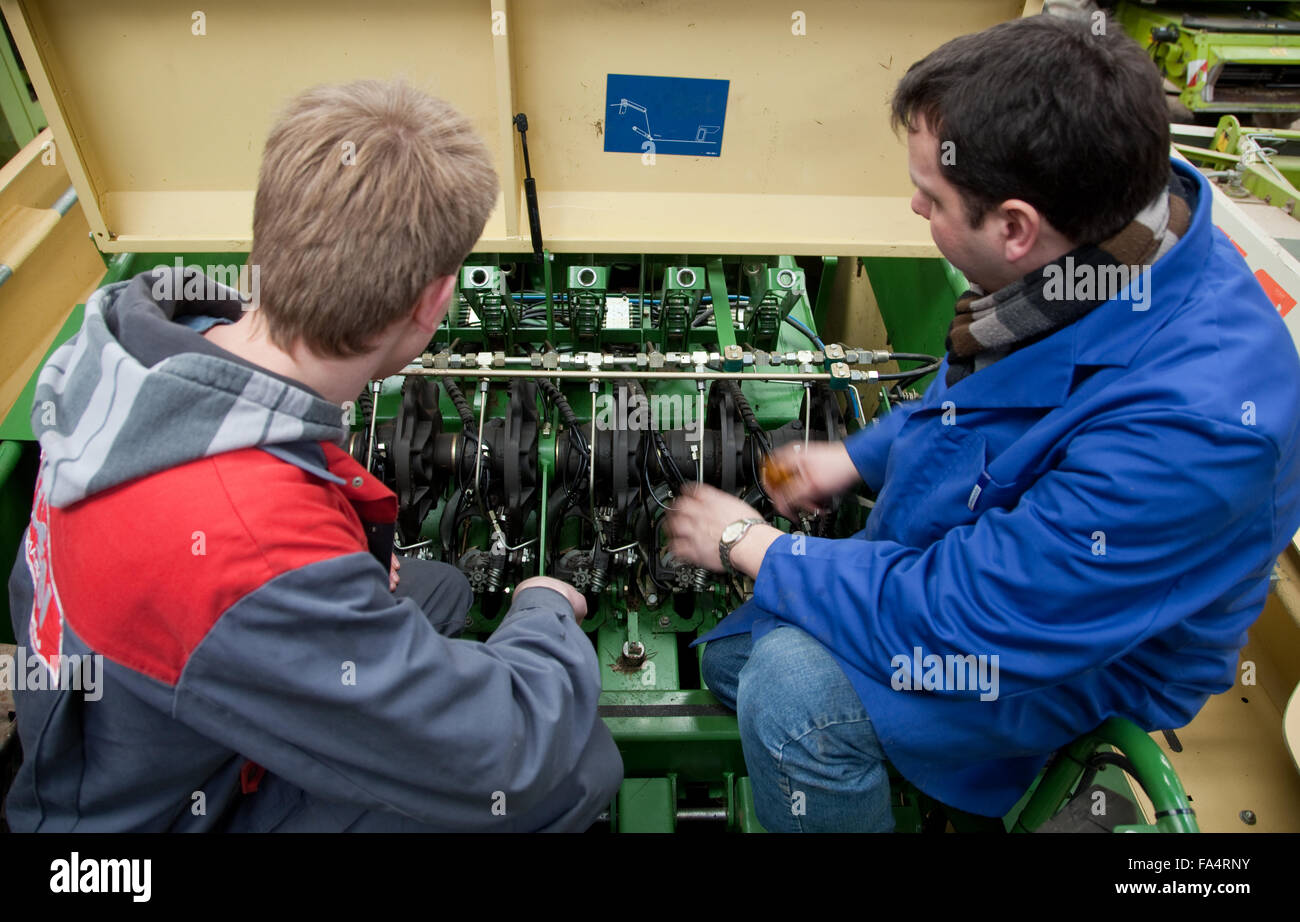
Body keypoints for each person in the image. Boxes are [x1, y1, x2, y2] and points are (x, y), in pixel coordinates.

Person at [665, 16, 1300, 832]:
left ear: (1014, 227)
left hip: (1074, 657)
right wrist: (858, 457)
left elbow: (973, 623)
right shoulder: (1107, 234)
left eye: (930, 198)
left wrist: (748, 546)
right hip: (997, 573)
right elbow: (983, 399)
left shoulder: (1194, 433)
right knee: (730, 655)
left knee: (790, 693)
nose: (912, 205)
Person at [6, 80, 621, 832]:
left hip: (118, 729)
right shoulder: (248, 549)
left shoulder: (136, 344)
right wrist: (545, 611)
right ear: (433, 302)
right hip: (136, 835)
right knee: (571, 765)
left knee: (442, 592)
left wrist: (342, 557)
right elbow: (507, 751)